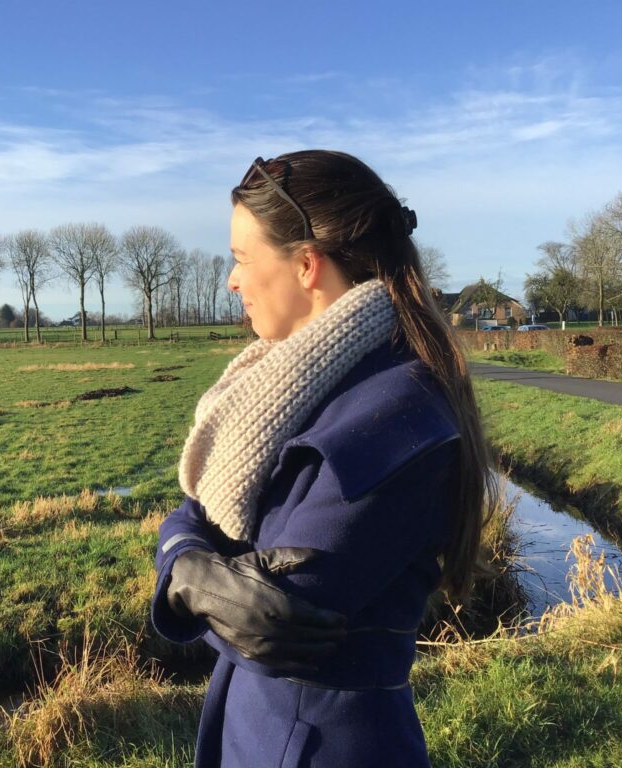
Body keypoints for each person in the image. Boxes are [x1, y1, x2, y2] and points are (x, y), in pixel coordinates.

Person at [151, 150, 492, 767]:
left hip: (321, 747)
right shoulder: (286, 386)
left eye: (241, 258)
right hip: (261, 729)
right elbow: (193, 512)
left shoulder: (396, 417)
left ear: (307, 265)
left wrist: (186, 568)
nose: (231, 280)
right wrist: (187, 564)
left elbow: (276, 616)